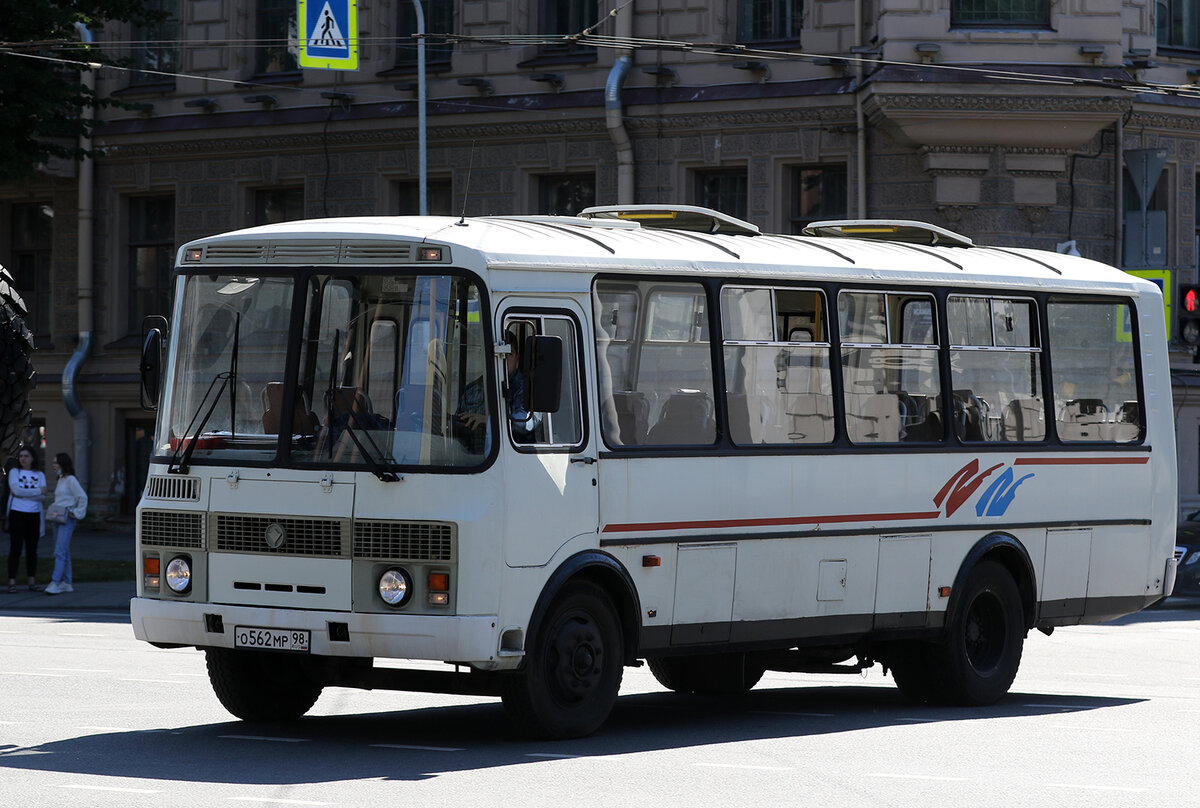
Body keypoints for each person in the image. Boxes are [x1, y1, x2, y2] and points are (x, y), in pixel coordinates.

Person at [45, 453, 87, 596]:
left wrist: (76, 512)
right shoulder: (61, 479)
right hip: (58, 518)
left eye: (56, 462)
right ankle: (67, 582)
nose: (53, 465)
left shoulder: (70, 480)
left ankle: (55, 582)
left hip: (66, 519)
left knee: (60, 551)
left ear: (63, 464)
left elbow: (82, 497)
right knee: (63, 550)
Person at [6, 446, 46, 593]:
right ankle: (11, 581)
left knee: (32, 549)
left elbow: (43, 496)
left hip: (33, 515)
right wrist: (36, 492)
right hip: (17, 513)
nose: (23, 458)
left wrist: (25, 494)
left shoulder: (39, 474)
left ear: (33, 458)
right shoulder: (14, 472)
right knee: (15, 548)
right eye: (21, 456)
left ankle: (32, 581)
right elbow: (16, 490)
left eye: (26, 456)